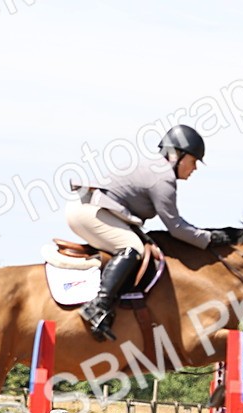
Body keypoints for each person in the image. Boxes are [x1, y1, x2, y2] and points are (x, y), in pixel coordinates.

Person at [65, 124, 231, 341]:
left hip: (95, 209)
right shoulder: (163, 179)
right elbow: (176, 227)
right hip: (89, 212)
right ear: (177, 156)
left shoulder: (156, 169)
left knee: (140, 244)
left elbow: (127, 214)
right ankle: (98, 305)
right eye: (193, 161)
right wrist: (210, 238)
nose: (195, 168)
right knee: (133, 248)